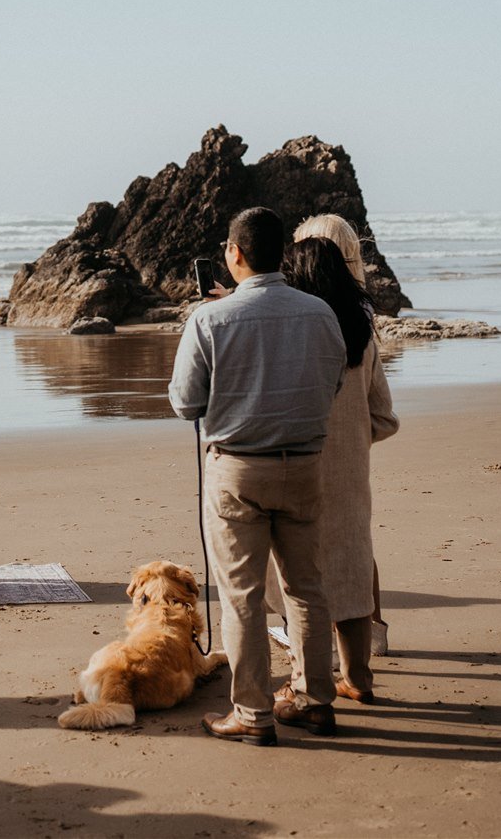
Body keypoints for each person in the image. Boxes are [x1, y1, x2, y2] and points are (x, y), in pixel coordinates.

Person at [169, 206, 346, 745]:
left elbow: (184, 402)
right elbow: (332, 382)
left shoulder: (209, 320)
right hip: (306, 464)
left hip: (239, 468)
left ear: (235, 253)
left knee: (242, 595)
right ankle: (315, 700)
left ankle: (252, 713)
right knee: (307, 588)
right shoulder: (320, 314)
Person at [272, 234, 398, 705]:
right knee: (350, 570)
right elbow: (384, 416)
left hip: (295, 470)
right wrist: (351, 446)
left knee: (299, 580)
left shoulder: (294, 334)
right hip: (350, 480)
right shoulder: (363, 338)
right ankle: (359, 680)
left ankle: (308, 677)